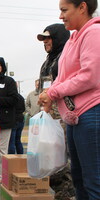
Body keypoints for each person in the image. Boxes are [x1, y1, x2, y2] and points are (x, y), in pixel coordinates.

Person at [39, 0, 100, 199]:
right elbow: (63, 77)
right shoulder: (73, 39)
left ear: (82, 7)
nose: (60, 16)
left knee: (93, 181)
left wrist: (53, 93)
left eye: (64, 10)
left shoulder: (93, 33)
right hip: (75, 117)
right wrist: (49, 94)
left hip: (91, 114)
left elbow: (89, 75)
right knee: (79, 178)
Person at [37, 23, 76, 200]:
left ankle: (66, 195)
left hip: (63, 117)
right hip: (48, 117)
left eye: (48, 38)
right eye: (43, 39)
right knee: (49, 160)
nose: (45, 42)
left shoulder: (66, 58)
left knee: (62, 162)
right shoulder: (47, 61)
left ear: (59, 37)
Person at [8, 85, 25, 154]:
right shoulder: (21, 97)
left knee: (11, 142)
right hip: (21, 119)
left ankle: (11, 159)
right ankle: (20, 157)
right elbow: (23, 108)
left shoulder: (11, 98)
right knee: (18, 141)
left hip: (13, 120)